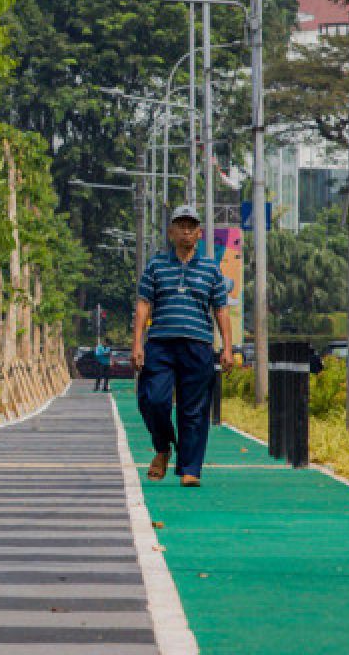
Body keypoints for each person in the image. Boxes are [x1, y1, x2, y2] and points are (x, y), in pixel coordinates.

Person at [131, 205, 233, 488]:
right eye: (181, 226)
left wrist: (227, 347)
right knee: (154, 400)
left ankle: (190, 468)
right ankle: (163, 448)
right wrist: (137, 343)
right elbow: (143, 305)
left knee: (194, 410)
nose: (186, 231)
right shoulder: (156, 266)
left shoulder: (211, 269)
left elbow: (221, 309)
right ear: (171, 232)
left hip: (198, 346)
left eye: (192, 227)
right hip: (160, 345)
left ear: (199, 234)